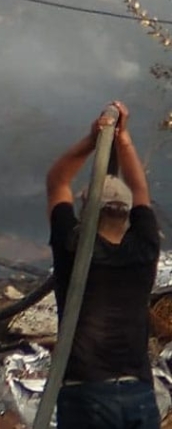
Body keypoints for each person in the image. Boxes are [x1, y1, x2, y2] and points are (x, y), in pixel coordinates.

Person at [45, 101, 161, 428]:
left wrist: (91, 140)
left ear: (87, 212)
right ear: (127, 215)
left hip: (88, 396)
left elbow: (57, 183)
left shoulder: (73, 248)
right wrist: (122, 140)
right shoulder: (145, 249)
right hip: (139, 395)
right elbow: (141, 190)